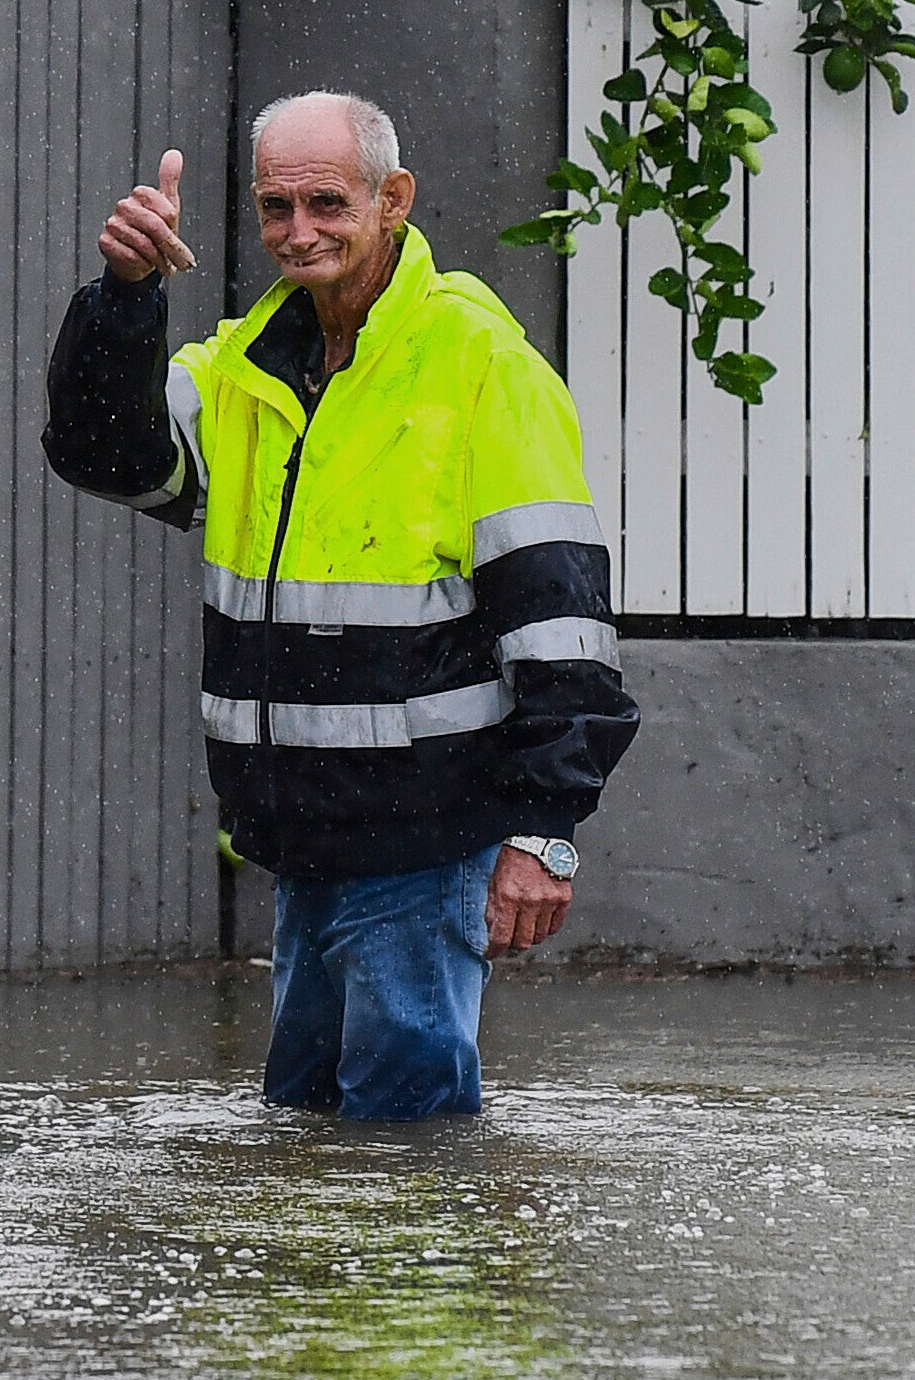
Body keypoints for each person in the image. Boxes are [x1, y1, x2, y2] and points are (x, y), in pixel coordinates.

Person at [37, 91, 636, 1118]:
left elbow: (559, 614)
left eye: (327, 201)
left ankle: (432, 1284)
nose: (298, 230)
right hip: (302, 835)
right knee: (313, 1141)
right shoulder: (247, 364)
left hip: (423, 836)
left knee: (401, 1153)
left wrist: (546, 827)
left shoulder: (480, 364)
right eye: (276, 205)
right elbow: (102, 452)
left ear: (393, 198)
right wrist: (125, 295)